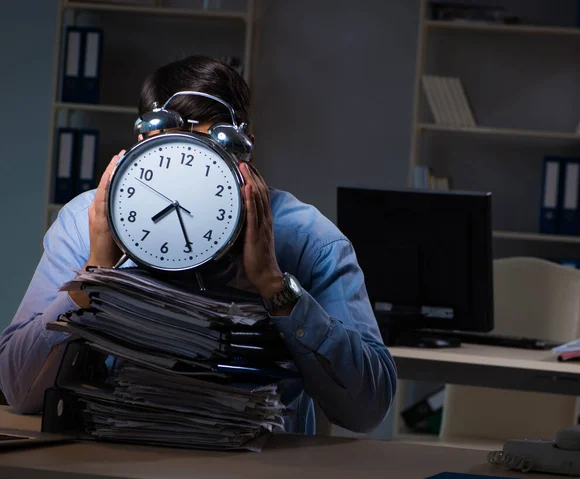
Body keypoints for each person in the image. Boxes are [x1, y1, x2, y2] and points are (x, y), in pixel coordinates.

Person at [0, 55, 397, 434]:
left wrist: (276, 287)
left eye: (211, 147)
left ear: (246, 150)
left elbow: (368, 410)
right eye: (173, 146)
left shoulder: (309, 238)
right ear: (142, 144)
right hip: (117, 459)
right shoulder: (87, 221)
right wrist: (93, 275)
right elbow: (18, 389)